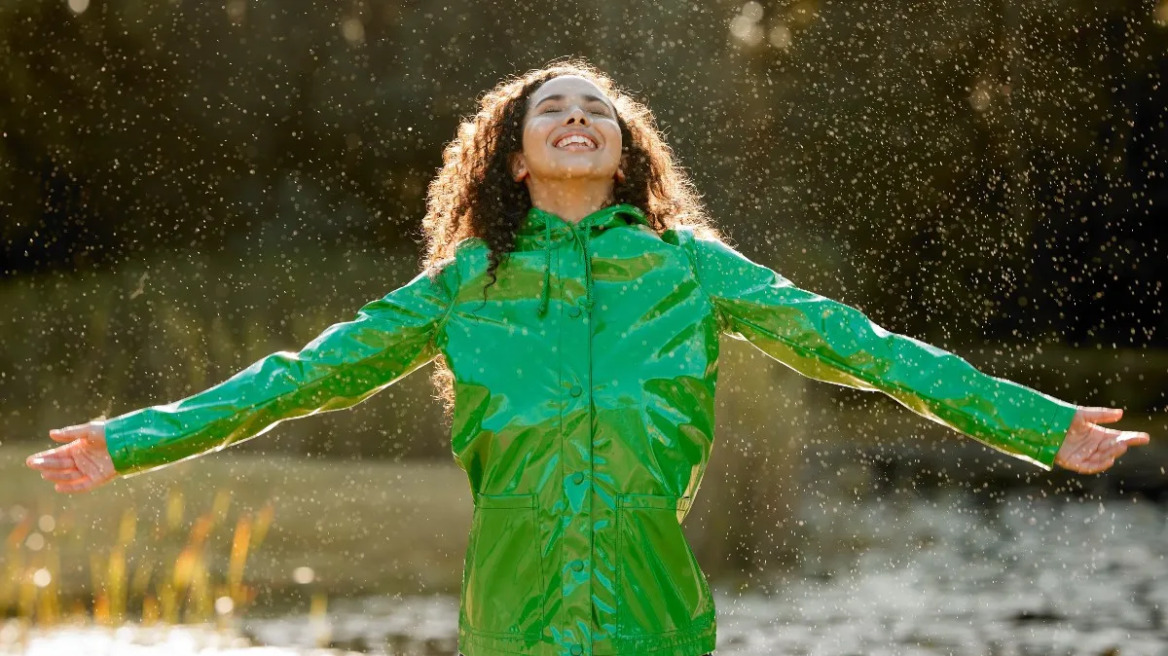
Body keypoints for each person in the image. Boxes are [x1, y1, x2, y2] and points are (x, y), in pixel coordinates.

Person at [26, 57, 1151, 656]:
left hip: (658, 623)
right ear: (513, 159)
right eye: (552, 109)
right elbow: (296, 377)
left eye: (597, 109)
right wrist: (130, 439)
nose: (577, 115)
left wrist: (1036, 422)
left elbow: (867, 350)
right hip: (511, 623)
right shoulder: (462, 286)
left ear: (625, 152)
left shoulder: (692, 269)